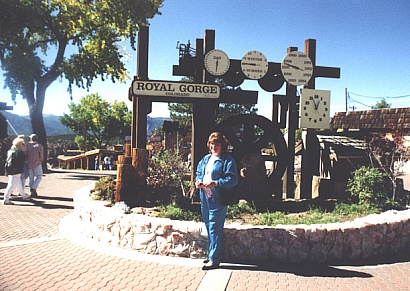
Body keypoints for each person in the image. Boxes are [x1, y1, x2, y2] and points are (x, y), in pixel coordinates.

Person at [195, 132, 238, 270]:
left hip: (218, 198)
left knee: (215, 227)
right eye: (212, 144)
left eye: (217, 144)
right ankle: (212, 254)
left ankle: (214, 260)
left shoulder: (228, 160)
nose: (214, 146)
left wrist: (216, 183)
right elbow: (199, 173)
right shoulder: (206, 159)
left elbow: (232, 179)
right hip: (205, 196)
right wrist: (198, 181)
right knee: (209, 225)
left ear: (222, 145)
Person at [3, 137, 30, 204]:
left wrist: (6, 170)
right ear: (20, 144)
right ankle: (6, 198)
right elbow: (23, 159)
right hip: (16, 170)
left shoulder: (10, 150)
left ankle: (23, 195)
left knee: (18, 182)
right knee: (12, 184)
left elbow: (7, 160)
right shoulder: (19, 152)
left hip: (10, 168)